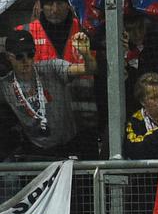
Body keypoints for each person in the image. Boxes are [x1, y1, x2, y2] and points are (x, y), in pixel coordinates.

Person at [1, 29, 95, 160]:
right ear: (8, 57)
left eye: (30, 54)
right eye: (19, 56)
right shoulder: (5, 85)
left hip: (68, 144)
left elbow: (89, 69)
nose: (26, 60)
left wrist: (85, 53)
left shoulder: (51, 68)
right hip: (36, 151)